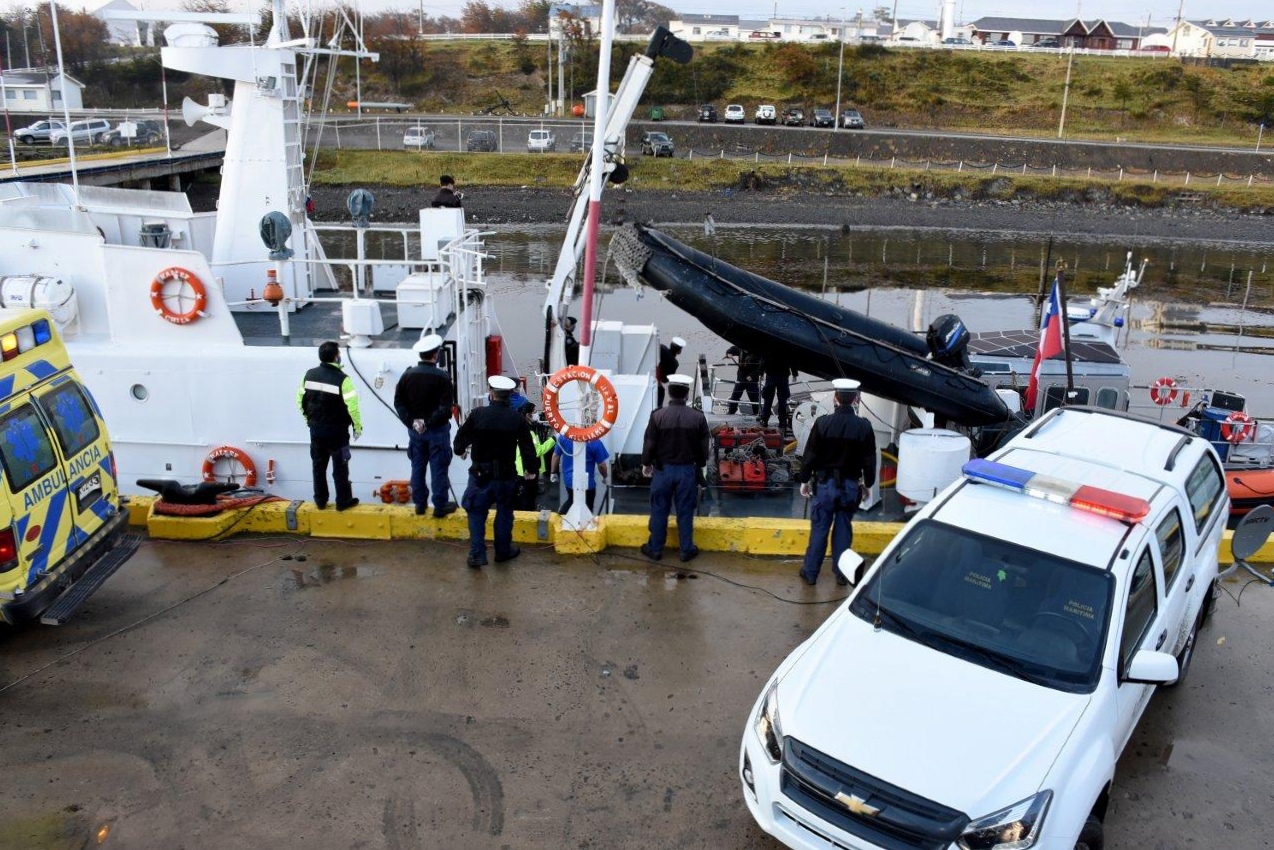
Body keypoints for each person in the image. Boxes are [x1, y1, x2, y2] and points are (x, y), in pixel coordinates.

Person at [797, 379, 877, 586]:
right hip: (850, 488)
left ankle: (811, 573)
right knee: (843, 530)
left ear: (835, 398)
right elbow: (869, 460)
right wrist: (868, 484)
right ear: (856, 399)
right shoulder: (864, 427)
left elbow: (810, 455)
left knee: (820, 530)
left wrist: (804, 480)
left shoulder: (822, 423)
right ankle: (842, 575)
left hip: (824, 487)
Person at [453, 376, 538, 568]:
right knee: (505, 513)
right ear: (509, 395)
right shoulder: (517, 419)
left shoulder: (477, 415)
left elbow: (459, 444)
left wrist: (461, 450)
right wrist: (530, 471)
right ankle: (503, 551)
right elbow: (527, 449)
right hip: (506, 476)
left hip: (480, 475)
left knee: (476, 512)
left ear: (491, 394)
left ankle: (477, 554)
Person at [640, 374, 710, 563]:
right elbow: (704, 447)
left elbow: (649, 443)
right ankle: (686, 550)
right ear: (687, 394)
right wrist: (701, 465)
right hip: (687, 472)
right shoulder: (698, 417)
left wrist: (646, 464)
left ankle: (655, 549)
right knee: (685, 511)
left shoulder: (657, 416)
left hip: (662, 471)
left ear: (670, 393)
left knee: (659, 510)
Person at [393, 334, 457, 518]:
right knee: (439, 469)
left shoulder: (407, 375)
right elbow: (446, 409)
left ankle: (420, 505)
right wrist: (427, 423)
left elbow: (399, 403)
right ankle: (439, 506)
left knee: (417, 467)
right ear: (435, 355)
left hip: (415, 432)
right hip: (437, 431)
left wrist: (413, 422)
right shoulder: (442, 377)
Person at [297, 340, 362, 511]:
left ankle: (320, 500)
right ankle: (343, 501)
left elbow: (300, 401)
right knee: (340, 468)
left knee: (318, 466)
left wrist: (309, 420)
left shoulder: (309, 374)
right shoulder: (343, 379)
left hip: (316, 431)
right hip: (338, 433)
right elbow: (353, 407)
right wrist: (357, 427)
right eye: (339, 354)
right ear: (336, 357)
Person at [514, 401, 556, 511]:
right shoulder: (529, 431)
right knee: (528, 498)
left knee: (526, 496)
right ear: (528, 415)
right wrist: (554, 440)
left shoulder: (524, 427)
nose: (537, 414)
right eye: (535, 412)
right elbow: (537, 451)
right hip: (526, 470)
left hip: (523, 468)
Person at [552, 435, 610, 514]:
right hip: (588, 485)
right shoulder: (595, 442)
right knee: (587, 508)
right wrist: (605, 477)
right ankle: (563, 516)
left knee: (572, 499)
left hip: (569, 482)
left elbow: (556, 456)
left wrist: (553, 473)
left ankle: (562, 518)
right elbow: (602, 466)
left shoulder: (563, 438)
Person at [759, 356, 799, 434]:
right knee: (782, 400)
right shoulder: (787, 347)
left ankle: (764, 420)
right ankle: (782, 422)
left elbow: (764, 358)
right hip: (783, 375)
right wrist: (794, 374)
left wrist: (761, 372)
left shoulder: (770, 347)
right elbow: (792, 360)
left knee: (768, 399)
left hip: (771, 374)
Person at [725, 345, 762, 415]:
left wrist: (752, 376)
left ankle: (757, 414)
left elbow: (760, 367)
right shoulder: (740, 348)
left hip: (752, 380)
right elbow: (732, 349)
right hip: (741, 378)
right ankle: (731, 411)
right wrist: (729, 353)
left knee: (754, 399)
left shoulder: (758, 352)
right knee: (735, 396)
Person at [656, 336, 686, 407]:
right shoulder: (674, 363)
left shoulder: (661, 347)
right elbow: (665, 380)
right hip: (656, 384)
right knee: (661, 392)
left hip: (645, 376)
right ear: (679, 351)